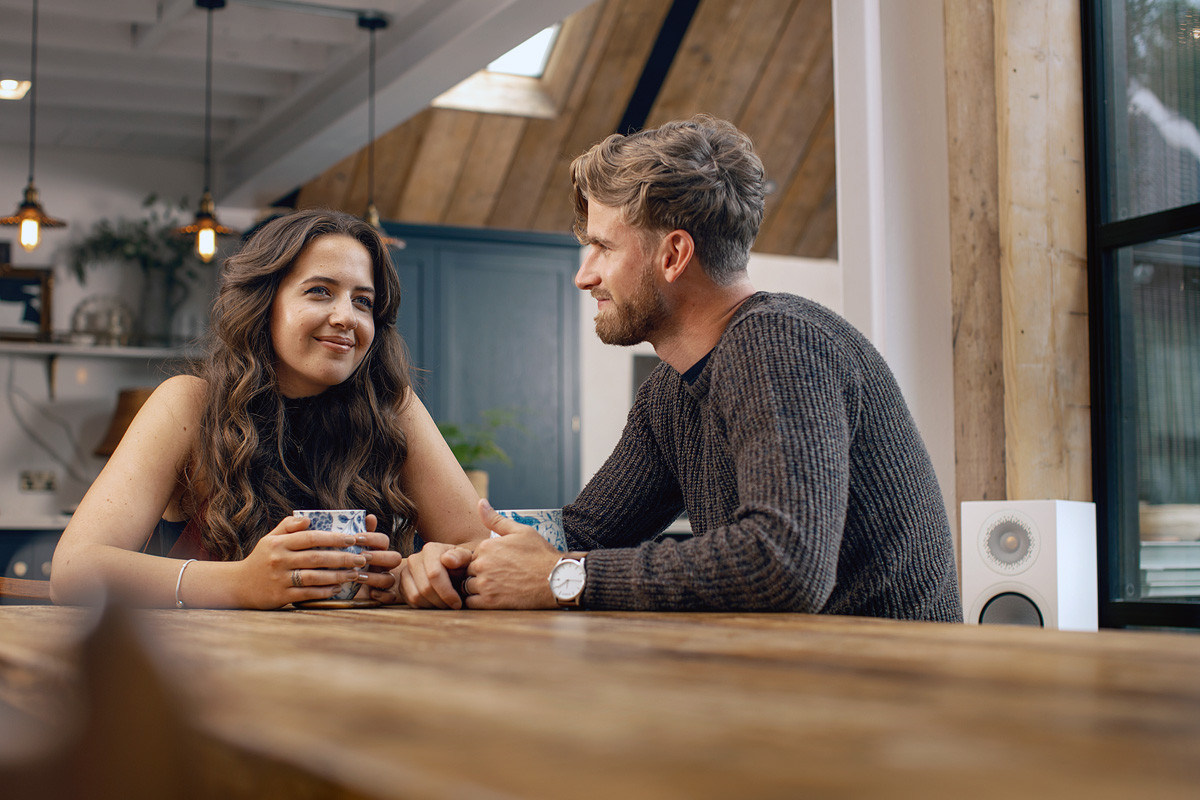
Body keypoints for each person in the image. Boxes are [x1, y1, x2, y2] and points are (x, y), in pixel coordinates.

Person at [400, 115, 962, 621]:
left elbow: (785, 562)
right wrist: (448, 565)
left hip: (890, 689)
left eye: (603, 247)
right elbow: (585, 532)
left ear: (673, 256)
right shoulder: (672, 391)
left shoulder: (778, 342)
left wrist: (562, 578)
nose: (584, 275)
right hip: (797, 681)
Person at [51, 209, 490, 609]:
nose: (346, 317)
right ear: (264, 303)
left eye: (363, 301)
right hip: (211, 662)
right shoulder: (188, 404)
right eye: (320, 291)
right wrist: (241, 582)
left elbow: (481, 549)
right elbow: (73, 570)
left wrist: (423, 570)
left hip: (362, 661)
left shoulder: (393, 408)